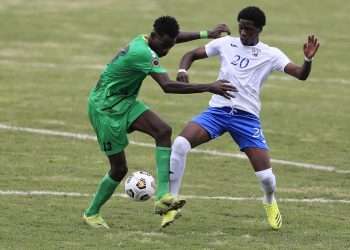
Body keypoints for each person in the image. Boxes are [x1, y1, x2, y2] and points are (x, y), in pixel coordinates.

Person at [169, 6, 320, 230]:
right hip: (217, 111)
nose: (242, 32)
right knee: (180, 144)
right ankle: (171, 202)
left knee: (267, 179)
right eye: (240, 27)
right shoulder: (225, 43)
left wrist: (307, 60)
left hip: (246, 119)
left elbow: (300, 74)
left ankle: (269, 201)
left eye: (247, 28)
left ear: (259, 29)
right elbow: (190, 54)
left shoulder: (271, 54)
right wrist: (182, 71)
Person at [82, 15, 236, 229]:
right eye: (164, 45)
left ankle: (163, 196)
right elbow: (167, 86)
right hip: (104, 109)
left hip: (125, 102)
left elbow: (175, 37)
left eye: (170, 45)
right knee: (118, 169)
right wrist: (209, 86)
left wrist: (206, 34)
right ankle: (91, 213)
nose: (166, 51)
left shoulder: (148, 40)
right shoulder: (142, 53)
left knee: (163, 131)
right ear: (154, 37)